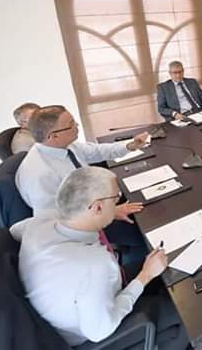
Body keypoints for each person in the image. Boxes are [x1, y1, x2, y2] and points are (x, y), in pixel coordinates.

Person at [11, 167, 188, 349]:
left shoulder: (37, 223)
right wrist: (145, 276)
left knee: (162, 270)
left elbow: (13, 232)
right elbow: (99, 331)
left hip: (71, 303)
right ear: (97, 207)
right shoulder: (94, 265)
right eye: (116, 198)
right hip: (92, 332)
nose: (117, 200)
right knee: (187, 313)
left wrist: (112, 211)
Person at [15, 105, 148, 214]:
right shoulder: (40, 175)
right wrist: (111, 213)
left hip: (97, 201)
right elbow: (55, 219)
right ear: (54, 136)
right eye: (71, 124)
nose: (77, 125)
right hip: (86, 221)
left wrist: (130, 146)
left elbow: (98, 151)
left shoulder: (66, 146)